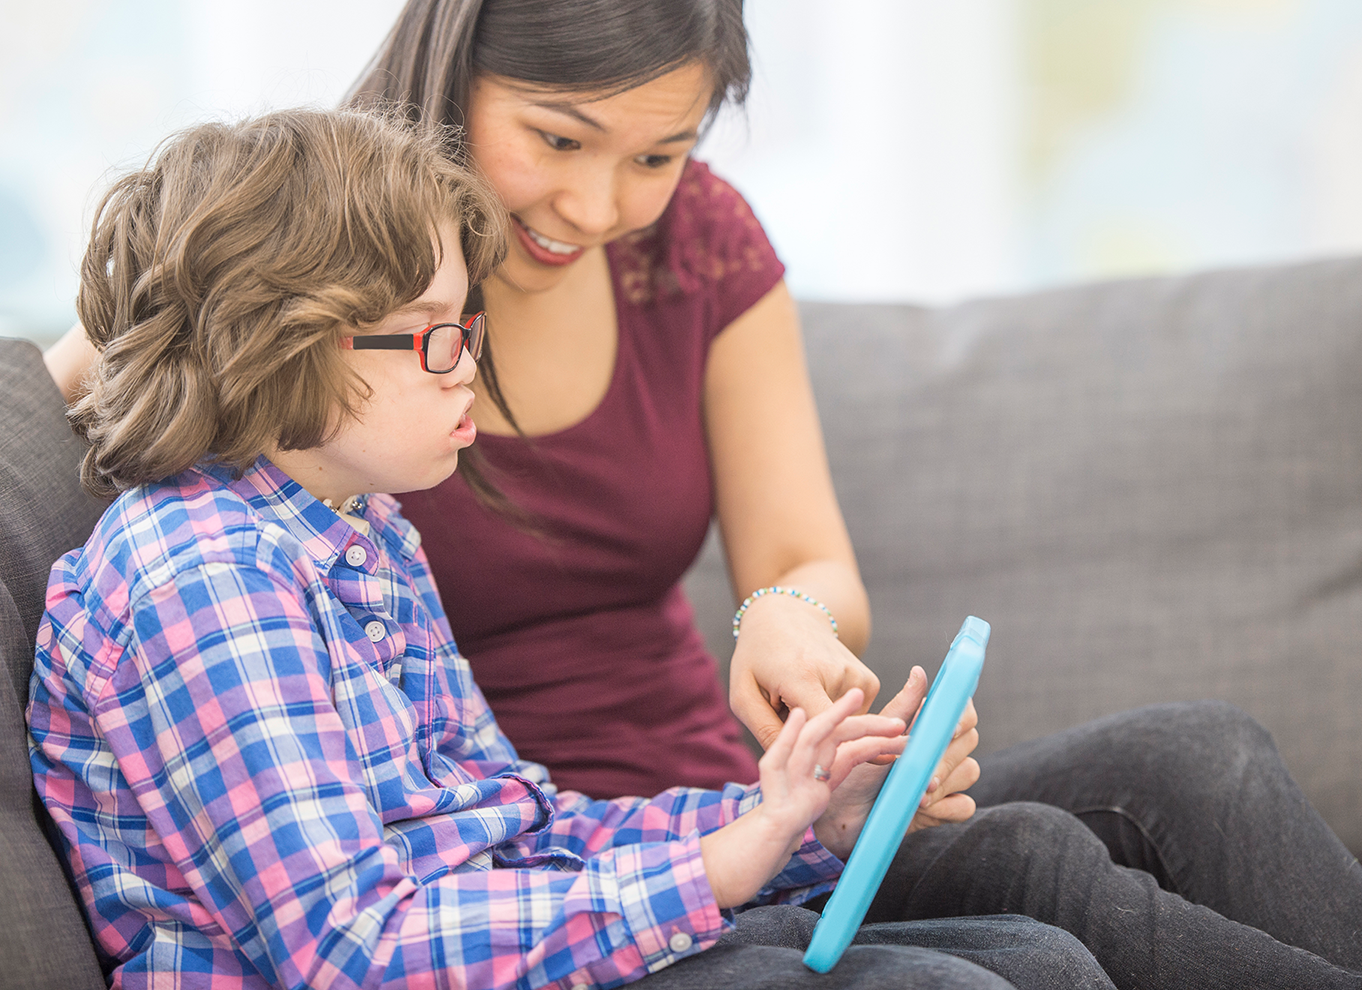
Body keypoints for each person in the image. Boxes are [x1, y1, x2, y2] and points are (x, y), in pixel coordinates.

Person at [39, 0, 1362, 986]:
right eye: (559, 137)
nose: (600, 206)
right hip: (543, 893)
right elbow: (136, 348)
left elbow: (795, 561)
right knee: (1031, 886)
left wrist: (783, 634)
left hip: (671, 818)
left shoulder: (678, 264)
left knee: (1190, 760)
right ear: (456, 63)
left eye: (660, 153)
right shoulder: (292, 269)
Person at [29, 107, 1109, 990]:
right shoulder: (206, 582)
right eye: (440, 335)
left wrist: (785, 820)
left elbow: (522, 830)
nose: (470, 370)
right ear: (290, 344)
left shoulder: (361, 536)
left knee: (1038, 958)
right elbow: (351, 952)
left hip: (507, 952)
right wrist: (711, 875)